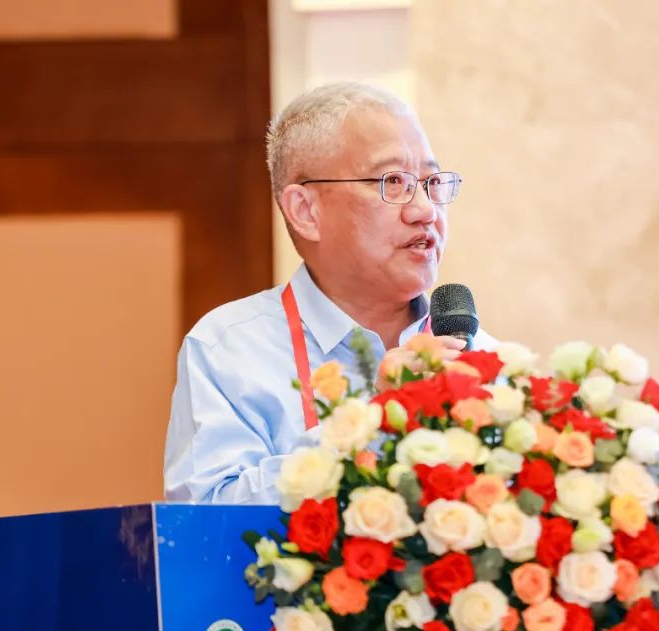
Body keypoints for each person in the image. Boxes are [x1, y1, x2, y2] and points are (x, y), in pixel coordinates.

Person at [163, 82, 494, 504]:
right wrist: (371, 421)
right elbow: (206, 522)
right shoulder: (230, 349)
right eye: (393, 182)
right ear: (305, 211)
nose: (425, 210)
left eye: (431, 183)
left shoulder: (482, 357)